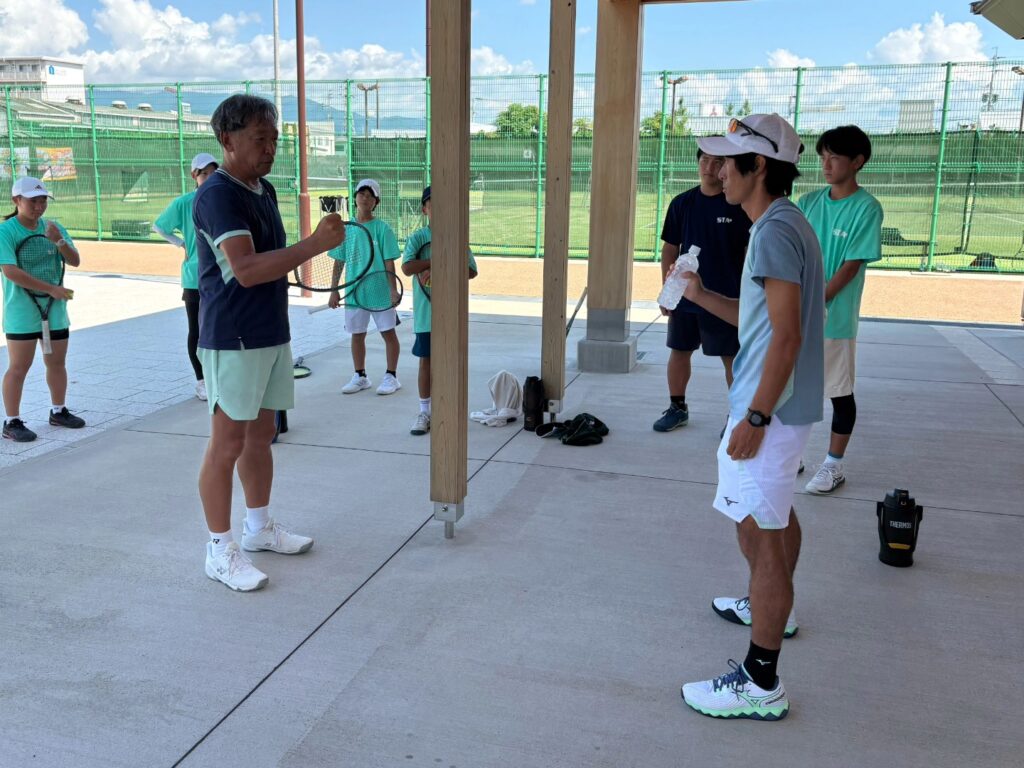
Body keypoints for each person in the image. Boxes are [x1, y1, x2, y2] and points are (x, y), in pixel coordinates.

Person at [676, 114, 824, 721]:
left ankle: (760, 681)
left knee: (759, 533)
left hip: (772, 408)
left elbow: (785, 338)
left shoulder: (773, 232)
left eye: (727, 160)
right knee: (772, 518)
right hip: (781, 404)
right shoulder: (782, 224)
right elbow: (763, 320)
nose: (716, 171)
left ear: (758, 166)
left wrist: (756, 417)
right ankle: (772, 612)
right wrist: (698, 294)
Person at [193, 95, 345, 592]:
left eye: (275, 138)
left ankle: (257, 529)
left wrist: (307, 248)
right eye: (260, 138)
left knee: (260, 436)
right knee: (227, 444)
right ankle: (219, 550)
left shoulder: (264, 189)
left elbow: (271, 257)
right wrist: (315, 245)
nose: (270, 148)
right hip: (232, 337)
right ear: (227, 139)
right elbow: (246, 268)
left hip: (270, 332)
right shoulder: (217, 194)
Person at [798, 125, 882, 495]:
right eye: (822, 157)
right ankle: (793, 454)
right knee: (793, 389)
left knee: (839, 393)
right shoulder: (808, 202)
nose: (826, 165)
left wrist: (814, 302)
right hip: (797, 315)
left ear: (857, 161)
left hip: (835, 321)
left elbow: (850, 266)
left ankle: (833, 465)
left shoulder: (867, 208)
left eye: (834, 157)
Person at [654, 149, 750, 432]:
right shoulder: (682, 203)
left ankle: (737, 416)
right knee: (679, 350)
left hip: (726, 299)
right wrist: (668, 290)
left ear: (726, 166)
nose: (710, 166)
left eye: (718, 160)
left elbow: (749, 253)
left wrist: (748, 295)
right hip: (685, 295)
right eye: (704, 159)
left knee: (732, 359)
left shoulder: (737, 204)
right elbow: (670, 248)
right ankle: (677, 407)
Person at [0, 177, 85, 443]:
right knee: (18, 367)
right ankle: (11, 422)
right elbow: (10, 271)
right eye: (33, 201)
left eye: (43, 201)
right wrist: (51, 289)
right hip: (21, 312)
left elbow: (75, 260)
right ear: (16, 200)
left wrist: (59, 241)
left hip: (55, 310)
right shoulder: (6, 231)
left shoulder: (53, 227)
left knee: (57, 363)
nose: (39, 206)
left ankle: (58, 411)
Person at [400, 185, 477, 436]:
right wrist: (433, 262)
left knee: (452, 361)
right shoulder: (418, 238)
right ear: (425, 209)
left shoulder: (457, 237)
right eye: (432, 204)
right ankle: (425, 412)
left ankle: (449, 409)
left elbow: (471, 271)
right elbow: (407, 267)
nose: (438, 208)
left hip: (452, 313)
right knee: (427, 360)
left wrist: (446, 264)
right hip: (426, 314)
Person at [152, 152, 220, 401]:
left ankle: (218, 376)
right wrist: (181, 243)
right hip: (195, 276)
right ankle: (202, 381)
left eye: (213, 173)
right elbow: (159, 226)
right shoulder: (184, 203)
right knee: (197, 329)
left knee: (221, 327)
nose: (209, 177)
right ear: (194, 175)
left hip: (222, 274)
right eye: (204, 173)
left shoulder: (224, 198)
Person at [327, 178, 402, 396]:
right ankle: (360, 376)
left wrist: (393, 290)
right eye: (362, 194)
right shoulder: (346, 229)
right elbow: (339, 261)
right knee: (357, 335)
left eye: (370, 196)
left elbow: (389, 262)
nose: (365, 198)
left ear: (376, 202)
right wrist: (334, 290)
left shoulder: (382, 229)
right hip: (354, 292)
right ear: (355, 198)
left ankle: (391, 376)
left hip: (380, 293)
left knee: (388, 333)